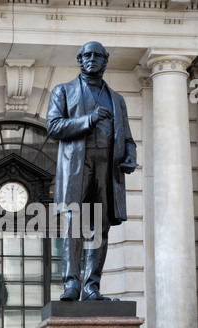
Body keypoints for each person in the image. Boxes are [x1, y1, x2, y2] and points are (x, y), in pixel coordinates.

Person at [46, 41, 137, 301]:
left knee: (101, 227)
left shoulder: (117, 100)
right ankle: (71, 284)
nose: (92, 59)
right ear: (79, 59)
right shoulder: (63, 91)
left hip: (107, 167)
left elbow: (128, 138)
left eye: (98, 56)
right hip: (77, 165)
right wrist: (89, 119)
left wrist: (130, 155)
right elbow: (53, 126)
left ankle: (91, 286)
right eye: (87, 55)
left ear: (105, 61)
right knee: (74, 224)